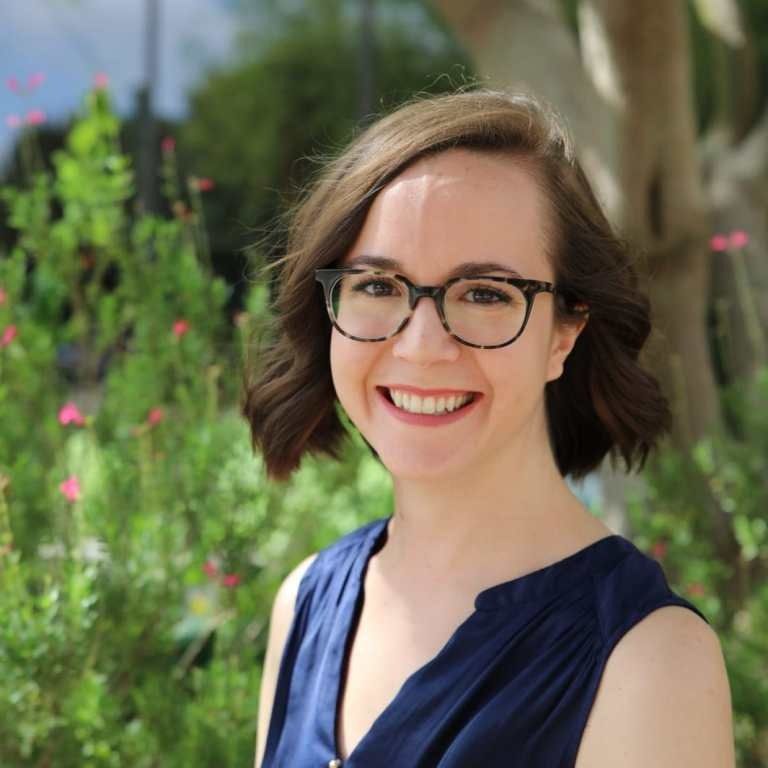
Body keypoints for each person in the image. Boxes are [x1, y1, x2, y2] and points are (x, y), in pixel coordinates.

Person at [243, 88, 735, 767]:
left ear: (565, 333)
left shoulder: (649, 663)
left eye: (484, 294)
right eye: (378, 285)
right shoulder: (305, 603)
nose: (419, 346)